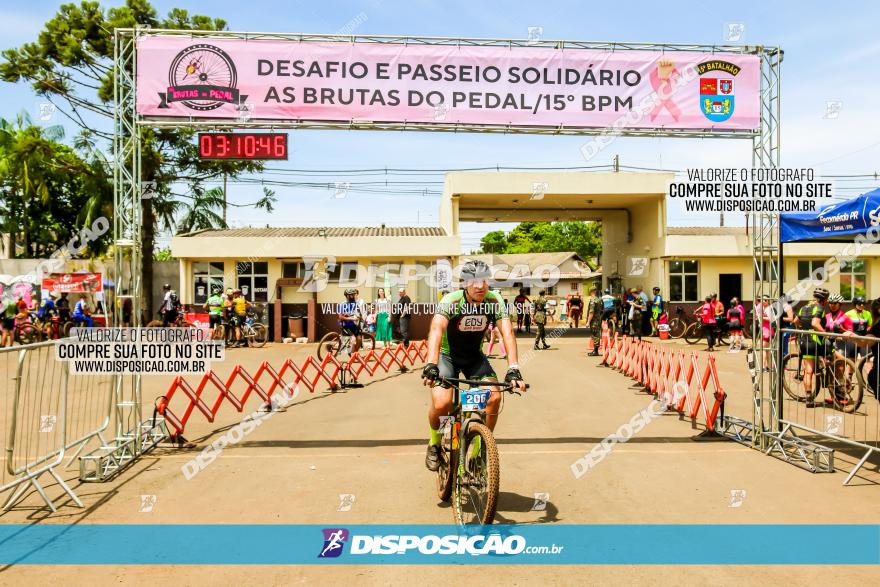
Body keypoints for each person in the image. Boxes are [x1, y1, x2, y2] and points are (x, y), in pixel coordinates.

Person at [421, 260, 526, 471]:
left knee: (494, 397)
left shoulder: (494, 301)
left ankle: (479, 451)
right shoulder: (451, 300)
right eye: (474, 281)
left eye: (484, 281)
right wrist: (431, 364)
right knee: (442, 405)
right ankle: (434, 443)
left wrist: (513, 368)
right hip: (447, 357)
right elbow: (436, 330)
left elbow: (507, 333)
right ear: (465, 284)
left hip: (474, 358)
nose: (480, 286)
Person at [797, 288, 832, 399]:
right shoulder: (820, 308)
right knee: (832, 358)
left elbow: (795, 321)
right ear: (824, 300)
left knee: (808, 371)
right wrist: (825, 333)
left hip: (805, 340)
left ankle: (808, 397)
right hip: (816, 342)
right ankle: (829, 382)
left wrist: (802, 329)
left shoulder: (803, 308)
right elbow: (815, 323)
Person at [337, 288, 363, 354]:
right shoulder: (342, 304)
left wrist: (360, 317)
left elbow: (359, 314)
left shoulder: (356, 304)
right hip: (345, 325)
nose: (353, 296)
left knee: (359, 339)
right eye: (351, 295)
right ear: (347, 296)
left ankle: (354, 353)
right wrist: (351, 318)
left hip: (353, 325)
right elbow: (340, 317)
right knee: (353, 339)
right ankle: (352, 354)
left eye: (353, 295)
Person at [585, 286, 602, 356]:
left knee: (594, 335)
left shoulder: (593, 300)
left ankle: (595, 351)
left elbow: (591, 312)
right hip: (598, 319)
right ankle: (595, 350)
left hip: (594, 320)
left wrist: (588, 321)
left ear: (591, 292)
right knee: (597, 334)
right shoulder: (599, 299)